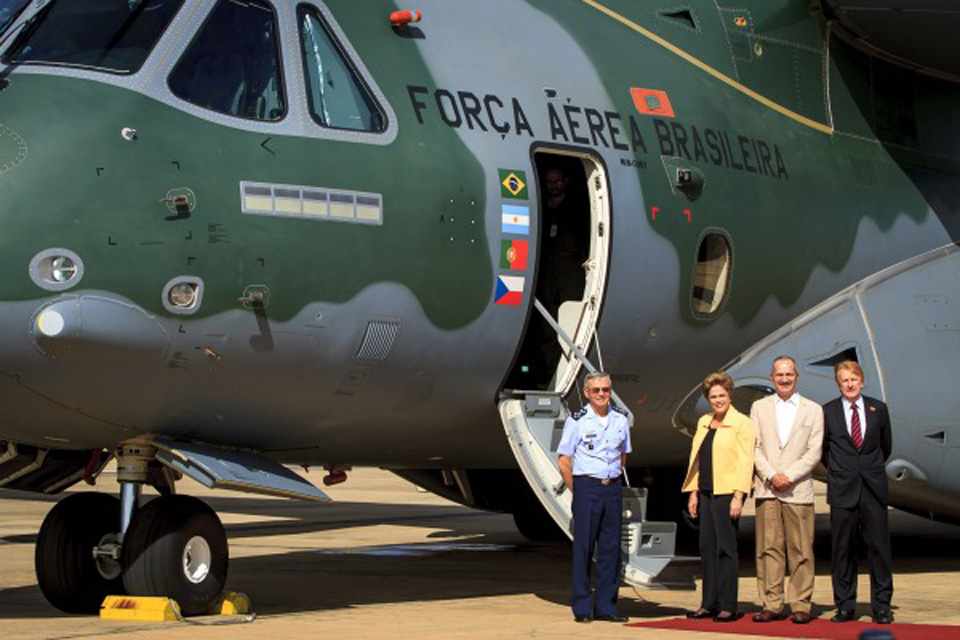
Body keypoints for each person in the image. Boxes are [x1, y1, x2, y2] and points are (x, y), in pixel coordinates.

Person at [750, 356, 823, 624]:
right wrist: (771, 475)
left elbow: (814, 452)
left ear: (796, 377)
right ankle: (771, 603)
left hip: (798, 489)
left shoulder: (813, 410)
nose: (784, 379)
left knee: (801, 549)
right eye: (779, 375)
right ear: (772, 377)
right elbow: (754, 447)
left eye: (789, 374)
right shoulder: (759, 407)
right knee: (769, 549)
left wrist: (789, 476)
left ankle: (801, 604)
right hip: (768, 489)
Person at [822, 360, 894, 624]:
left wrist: (867, 468)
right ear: (838, 384)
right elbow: (823, 452)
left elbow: (886, 446)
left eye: (853, 379)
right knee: (843, 549)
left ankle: (882, 605)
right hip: (843, 490)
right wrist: (843, 471)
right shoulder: (828, 411)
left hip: (873, 489)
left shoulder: (878, 409)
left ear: (861, 381)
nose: (849, 384)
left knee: (879, 549)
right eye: (844, 380)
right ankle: (844, 604)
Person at [681, 371, 756, 622]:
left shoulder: (742, 423)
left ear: (729, 395)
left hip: (727, 493)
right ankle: (708, 603)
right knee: (707, 548)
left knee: (726, 549)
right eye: (713, 396)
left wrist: (739, 496)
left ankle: (728, 605)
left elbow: (746, 462)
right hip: (705, 491)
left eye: (722, 395)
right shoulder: (704, 422)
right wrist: (692, 492)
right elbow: (697, 460)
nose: (718, 400)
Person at [557, 372, 631, 624]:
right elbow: (564, 460)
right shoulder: (577, 420)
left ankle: (606, 606)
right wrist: (577, 491)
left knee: (611, 549)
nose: (602, 394)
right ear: (587, 393)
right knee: (584, 548)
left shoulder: (620, 419)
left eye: (606, 390)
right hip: (586, 487)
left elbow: (623, 454)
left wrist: (613, 478)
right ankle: (582, 606)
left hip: (611, 487)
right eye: (596, 390)